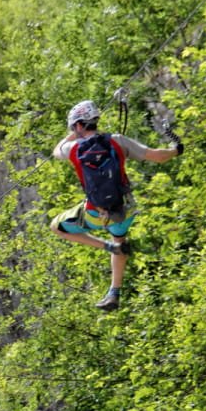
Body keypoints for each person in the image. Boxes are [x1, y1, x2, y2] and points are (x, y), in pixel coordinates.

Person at [50, 99, 180, 311]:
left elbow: (56, 150)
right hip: (124, 211)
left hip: (95, 213)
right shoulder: (117, 141)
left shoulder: (72, 148)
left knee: (56, 226)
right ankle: (114, 291)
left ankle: (108, 246)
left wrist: (74, 133)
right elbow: (157, 156)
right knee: (119, 235)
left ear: (79, 125)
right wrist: (177, 149)